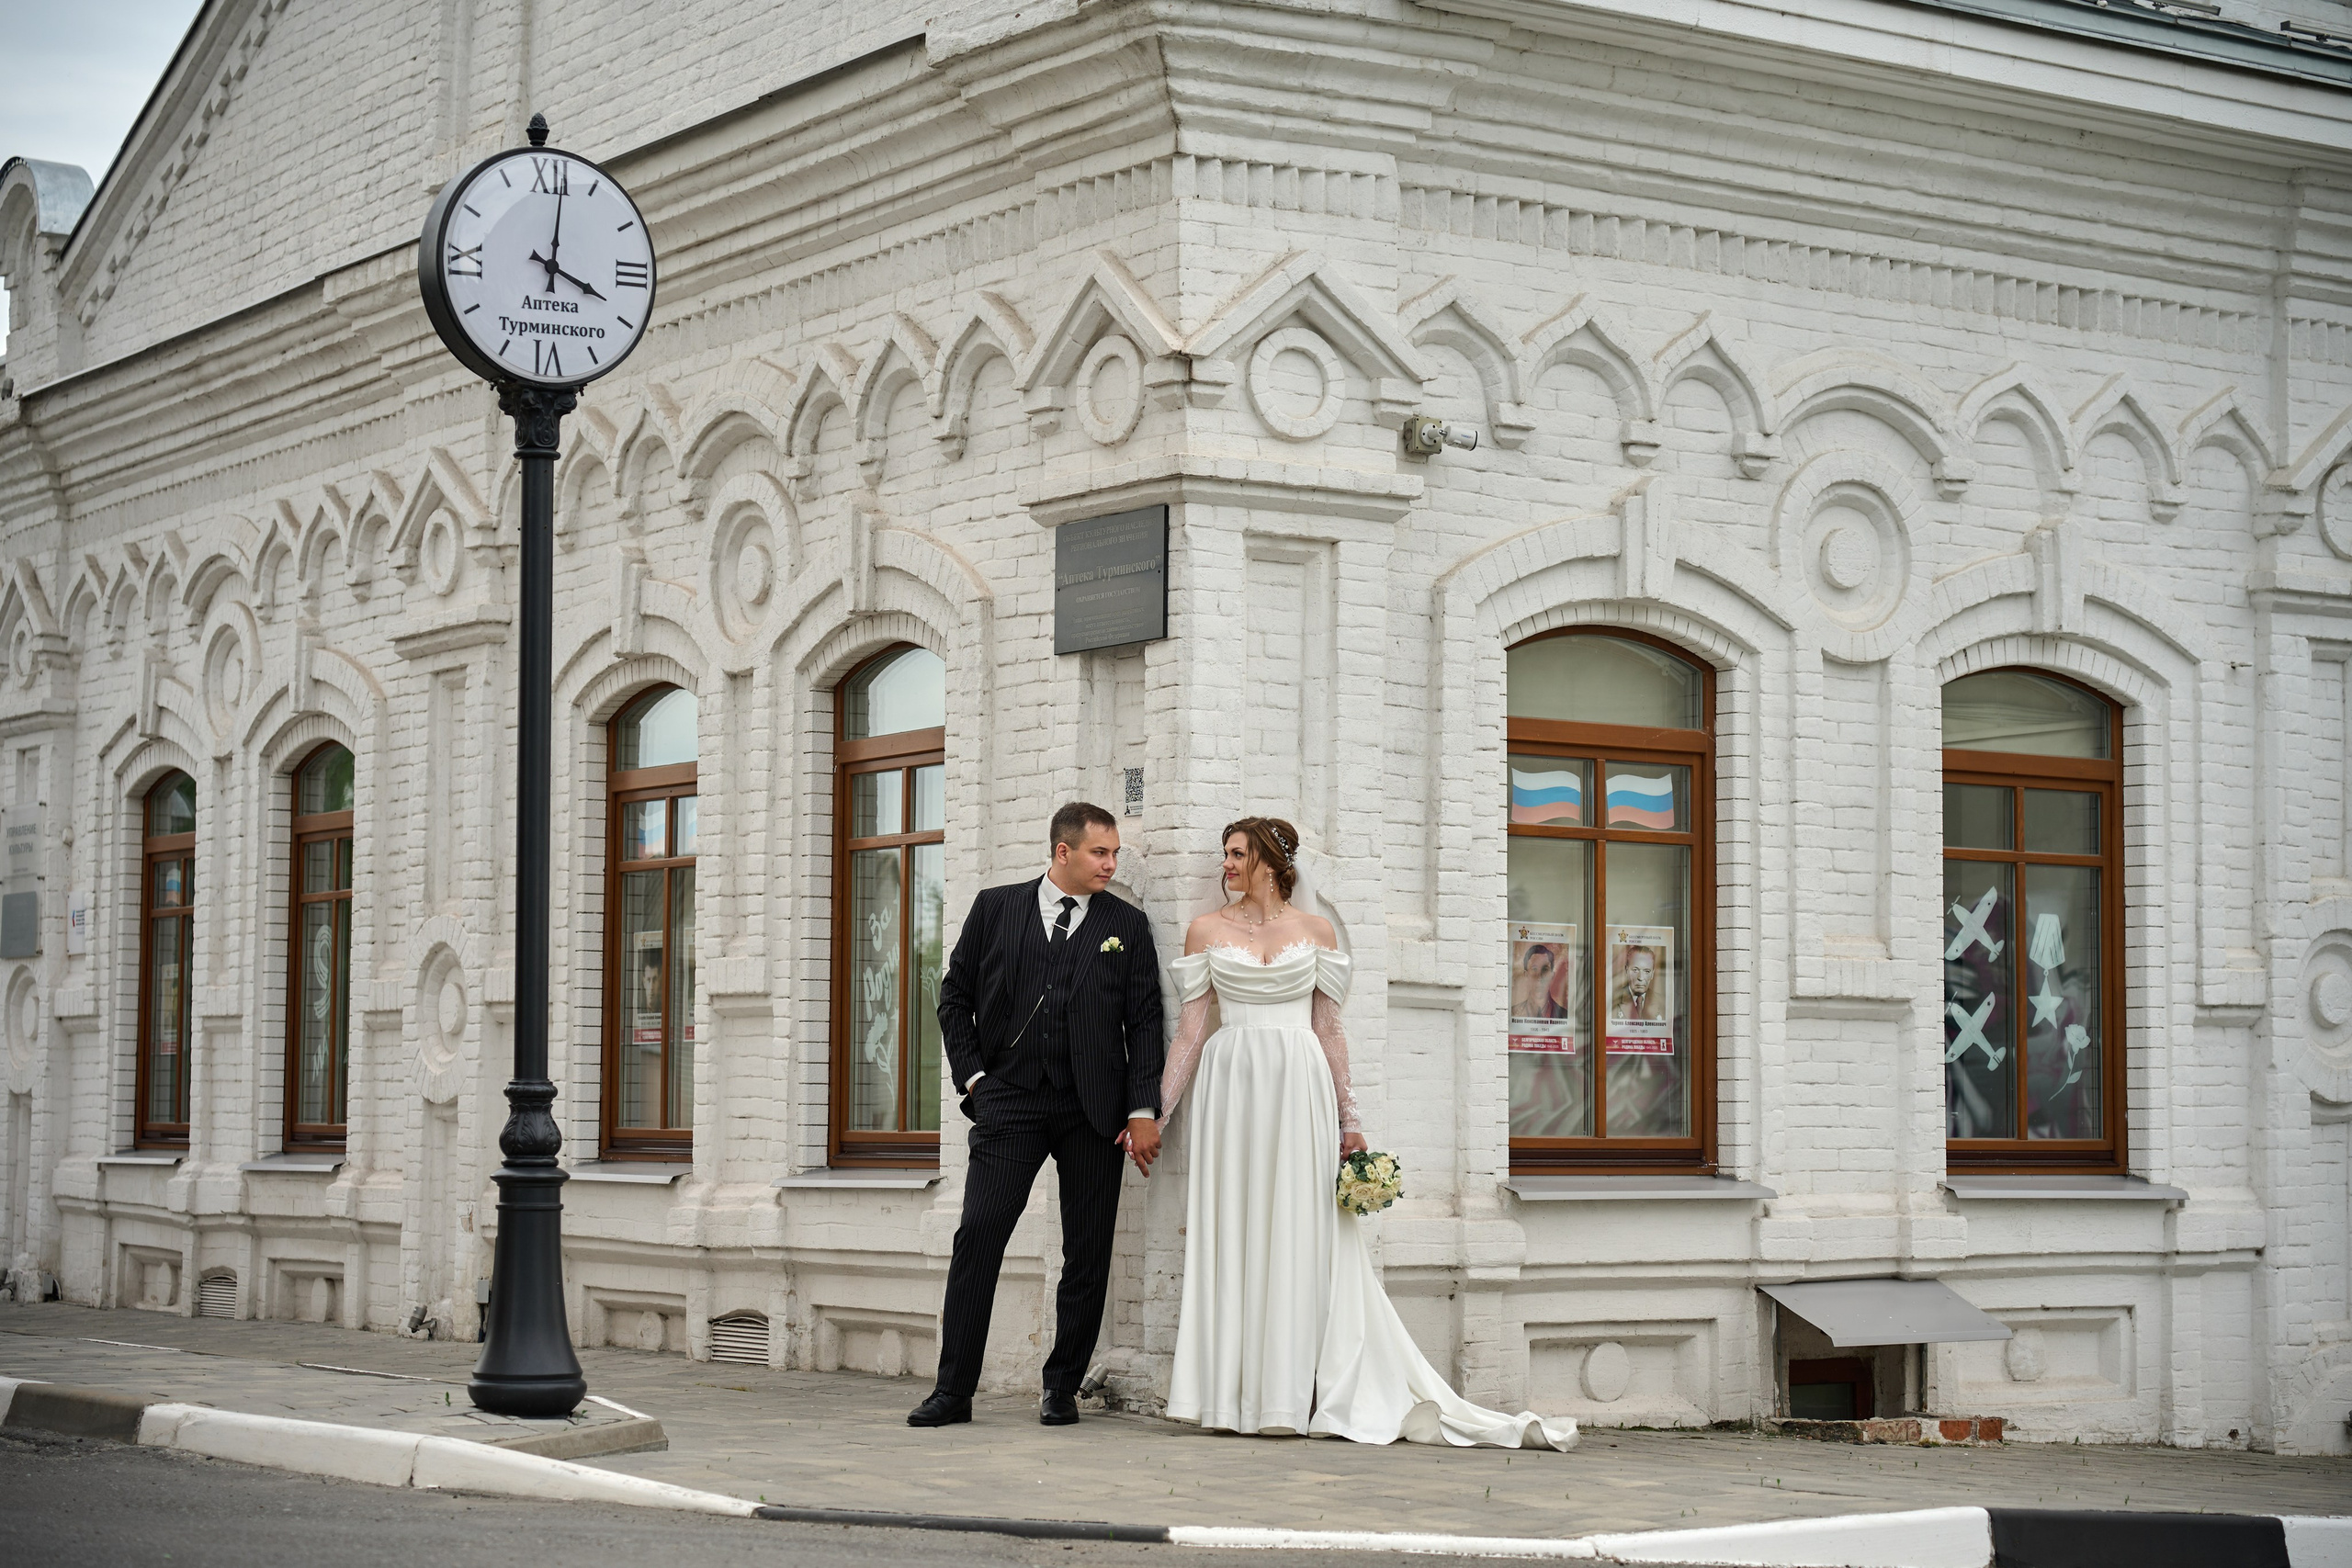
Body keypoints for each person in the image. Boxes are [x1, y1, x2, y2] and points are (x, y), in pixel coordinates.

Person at [1157, 817, 1577, 1449]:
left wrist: (1350, 1119)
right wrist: (1156, 1115)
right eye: (1226, 855)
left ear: (1271, 860)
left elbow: (1330, 1030)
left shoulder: (1317, 932)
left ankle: (1284, 1396)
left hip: (1299, 1091)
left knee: (1300, 1233)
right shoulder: (1206, 929)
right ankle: (1226, 1393)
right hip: (1230, 1088)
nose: (1228, 865)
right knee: (1233, 1228)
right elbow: (1190, 1034)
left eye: (1239, 854)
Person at [908, 802, 1165, 1429]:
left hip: (1091, 1111)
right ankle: (953, 1390)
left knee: (1088, 1251)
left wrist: (1141, 1109)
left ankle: (1061, 1386)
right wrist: (975, 1080)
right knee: (979, 1237)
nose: (1111, 862)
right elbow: (954, 998)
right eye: (1100, 852)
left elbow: (1146, 1020)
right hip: (1010, 1103)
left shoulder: (1125, 925)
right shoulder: (996, 908)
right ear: (1062, 852)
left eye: (1114, 852)